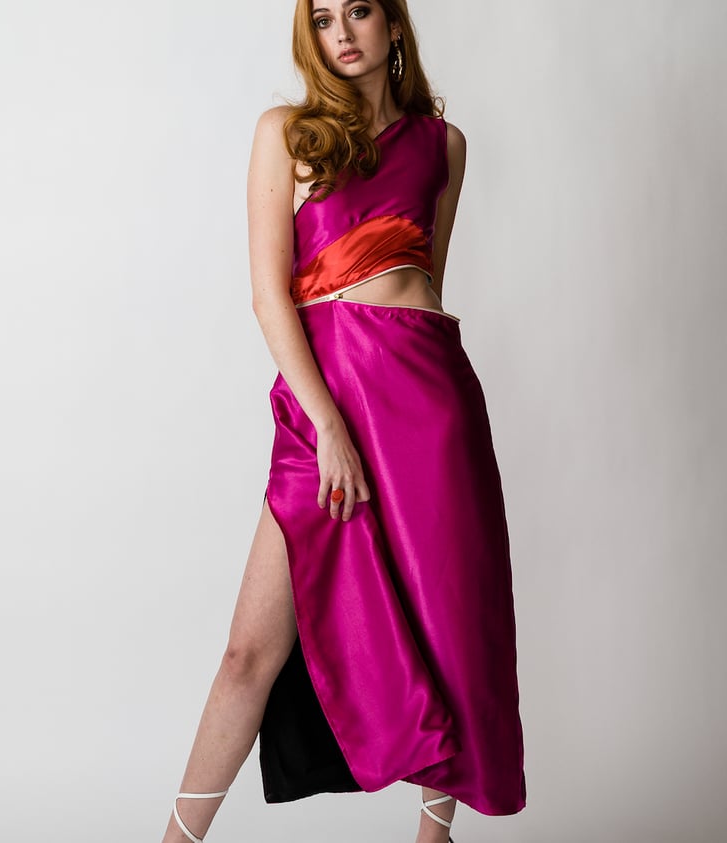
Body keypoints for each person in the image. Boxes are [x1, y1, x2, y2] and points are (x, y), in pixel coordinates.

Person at [161, 1, 526, 841]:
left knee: (448, 630)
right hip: (324, 407)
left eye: (359, 10)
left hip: (428, 410)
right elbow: (270, 298)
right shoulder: (285, 134)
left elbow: (423, 286)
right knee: (249, 651)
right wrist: (327, 424)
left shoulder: (444, 145)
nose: (342, 33)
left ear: (393, 24)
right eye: (323, 19)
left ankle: (433, 838)